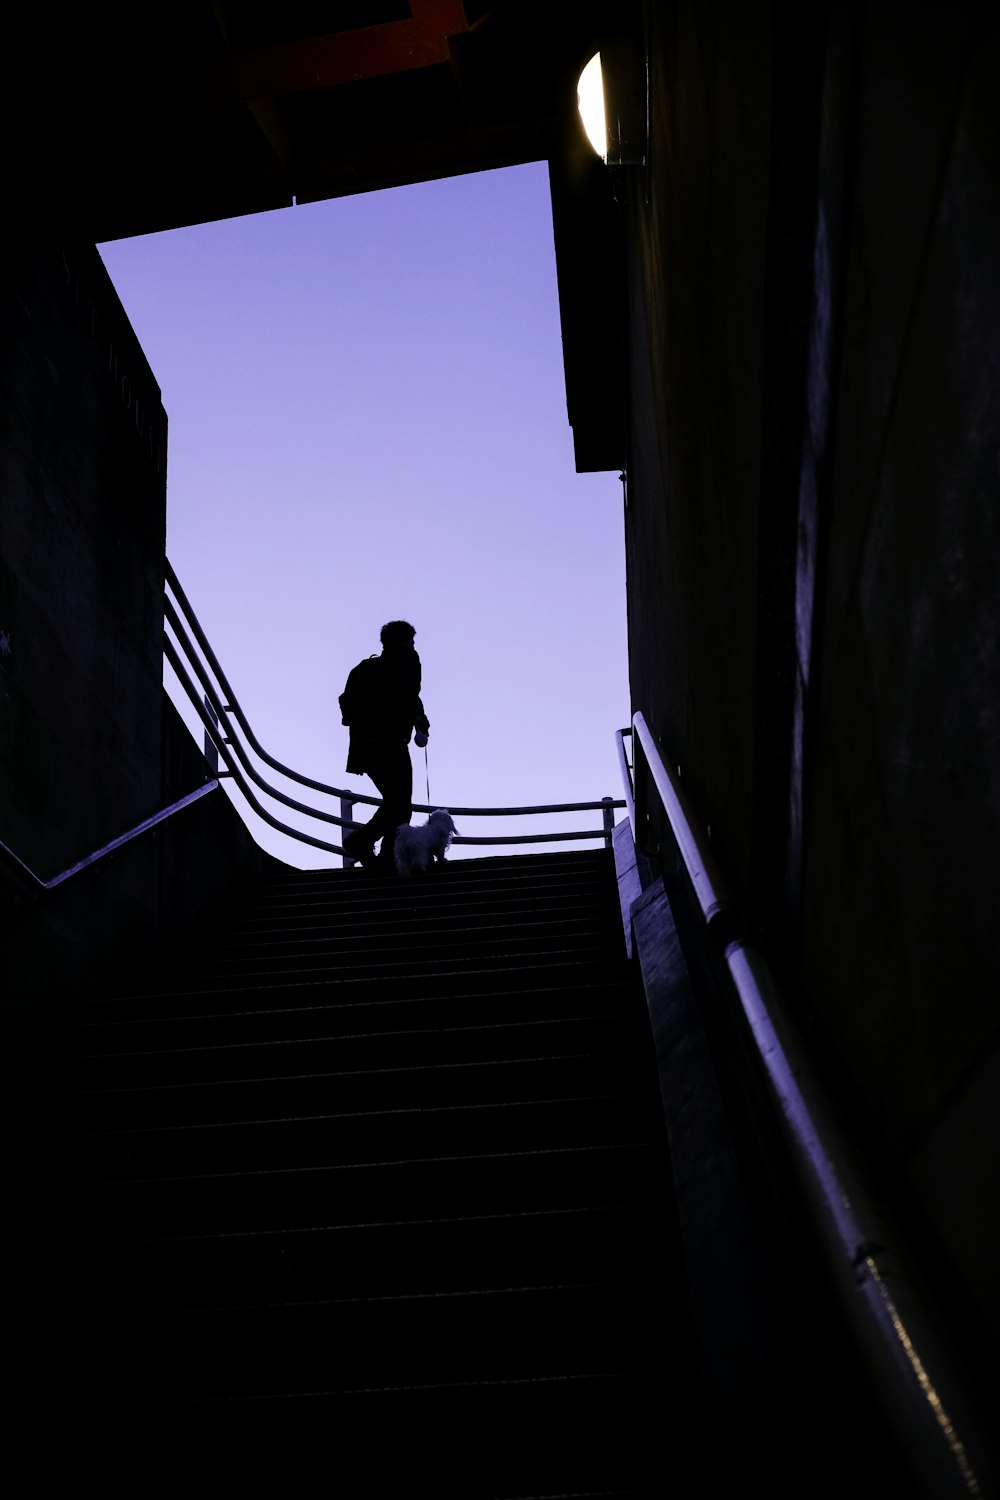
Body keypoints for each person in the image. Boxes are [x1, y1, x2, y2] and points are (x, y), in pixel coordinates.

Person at [339, 620, 430, 871]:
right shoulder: (403, 665)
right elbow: (409, 694)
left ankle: (383, 855)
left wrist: (418, 718)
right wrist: (419, 721)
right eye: (410, 641)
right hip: (389, 744)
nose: (413, 646)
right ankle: (369, 844)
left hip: (364, 747)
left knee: (396, 802)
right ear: (403, 641)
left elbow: (349, 710)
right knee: (400, 804)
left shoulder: (365, 669)